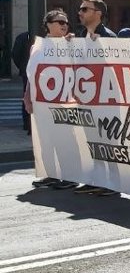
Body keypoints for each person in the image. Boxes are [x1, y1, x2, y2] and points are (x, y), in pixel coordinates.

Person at [28, 10, 78, 191]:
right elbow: (31, 74)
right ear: (48, 24)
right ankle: (51, 175)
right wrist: (27, 97)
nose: (65, 25)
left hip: (63, 102)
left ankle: (70, 176)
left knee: (65, 140)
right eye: (60, 22)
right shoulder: (38, 46)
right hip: (42, 102)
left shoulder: (71, 44)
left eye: (66, 22)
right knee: (46, 140)